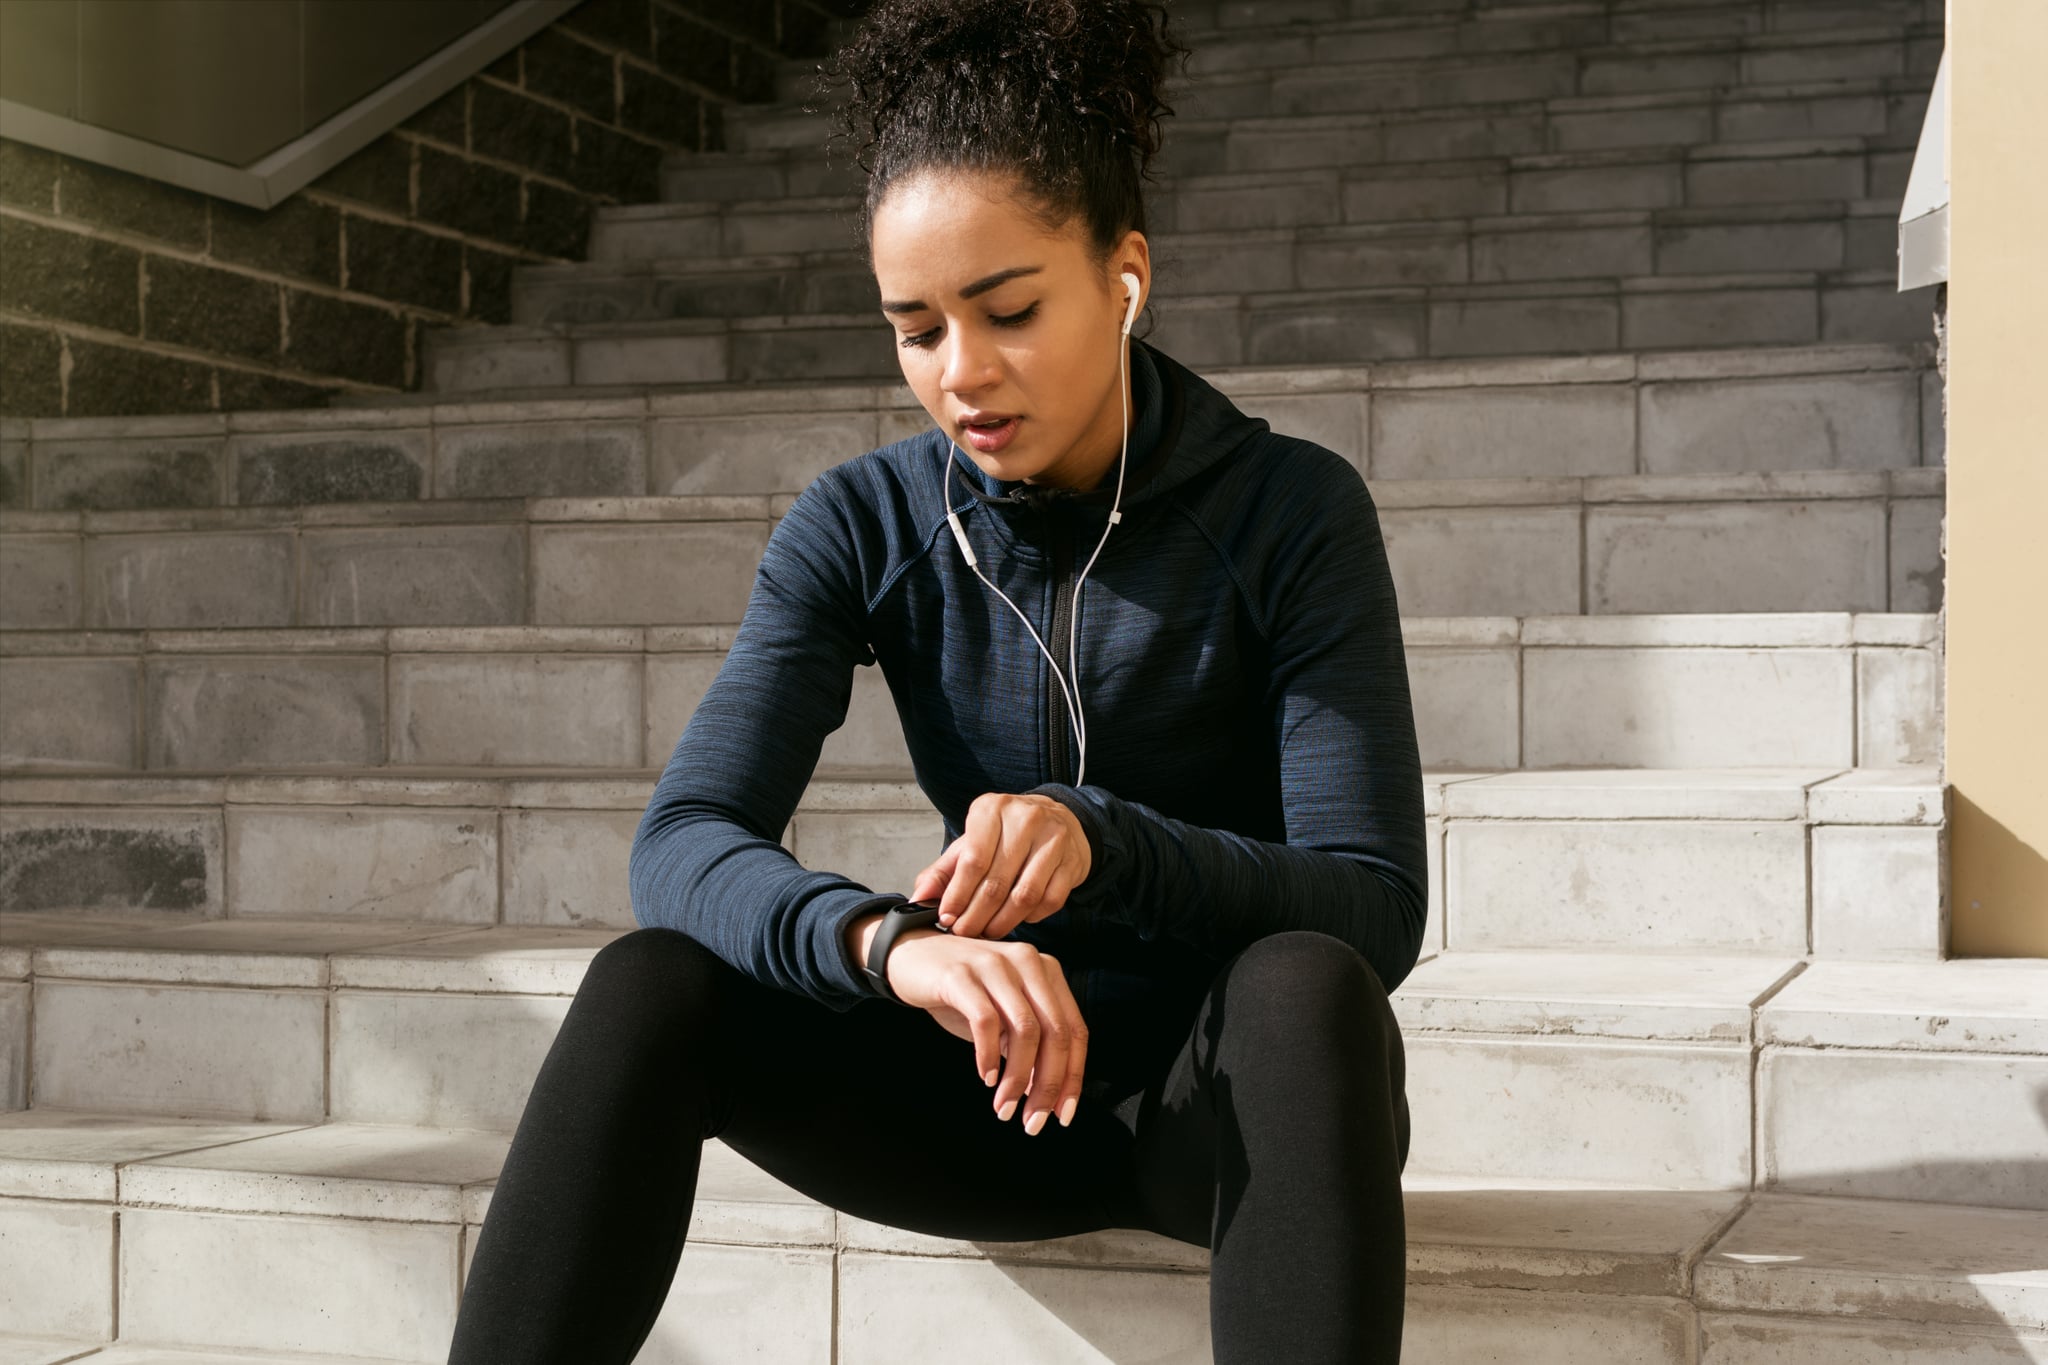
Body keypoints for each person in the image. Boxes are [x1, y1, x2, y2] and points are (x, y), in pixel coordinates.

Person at [445, 1, 1426, 1360]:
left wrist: (1104, 840)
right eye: (916, 328)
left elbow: (1373, 906)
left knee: (1309, 987)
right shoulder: (862, 524)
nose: (961, 374)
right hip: (975, 1096)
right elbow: (684, 842)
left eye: (1009, 310)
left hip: (1229, 1112)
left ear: (1123, 276)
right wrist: (889, 945)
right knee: (649, 983)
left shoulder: (1292, 511)